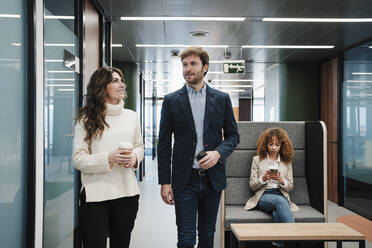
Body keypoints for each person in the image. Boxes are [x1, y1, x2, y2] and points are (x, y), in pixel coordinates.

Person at [157, 46, 240, 248]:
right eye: (185, 65)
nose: (188, 68)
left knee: (207, 234)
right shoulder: (171, 101)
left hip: (212, 179)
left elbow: (233, 136)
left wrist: (218, 153)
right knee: (185, 239)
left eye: (193, 64)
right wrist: (164, 182)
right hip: (184, 180)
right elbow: (164, 144)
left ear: (205, 67)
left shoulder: (221, 99)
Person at [73, 66, 144, 248]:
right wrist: (109, 158)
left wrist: (135, 157)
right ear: (101, 87)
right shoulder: (86, 119)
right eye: (115, 81)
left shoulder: (132, 117)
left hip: (127, 194)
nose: (122, 84)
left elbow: (139, 146)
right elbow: (79, 158)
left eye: (121, 80)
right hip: (95, 197)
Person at [244, 127, 298, 248]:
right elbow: (252, 186)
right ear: (265, 144)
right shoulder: (257, 160)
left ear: (282, 145)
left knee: (277, 212)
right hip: (263, 196)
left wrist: (281, 180)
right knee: (280, 202)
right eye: (270, 144)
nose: (273, 147)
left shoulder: (287, 162)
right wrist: (264, 178)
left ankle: (277, 245)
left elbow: (290, 187)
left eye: (277, 144)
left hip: (281, 194)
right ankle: (296, 238)